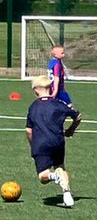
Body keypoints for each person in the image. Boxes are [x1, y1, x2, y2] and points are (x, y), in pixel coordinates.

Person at [25, 75, 81, 208]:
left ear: (36, 91)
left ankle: (54, 177)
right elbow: (77, 116)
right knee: (60, 167)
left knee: (43, 177)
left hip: (41, 145)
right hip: (58, 142)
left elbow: (28, 130)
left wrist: (33, 145)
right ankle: (67, 195)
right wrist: (71, 130)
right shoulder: (59, 104)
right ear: (50, 88)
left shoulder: (33, 107)